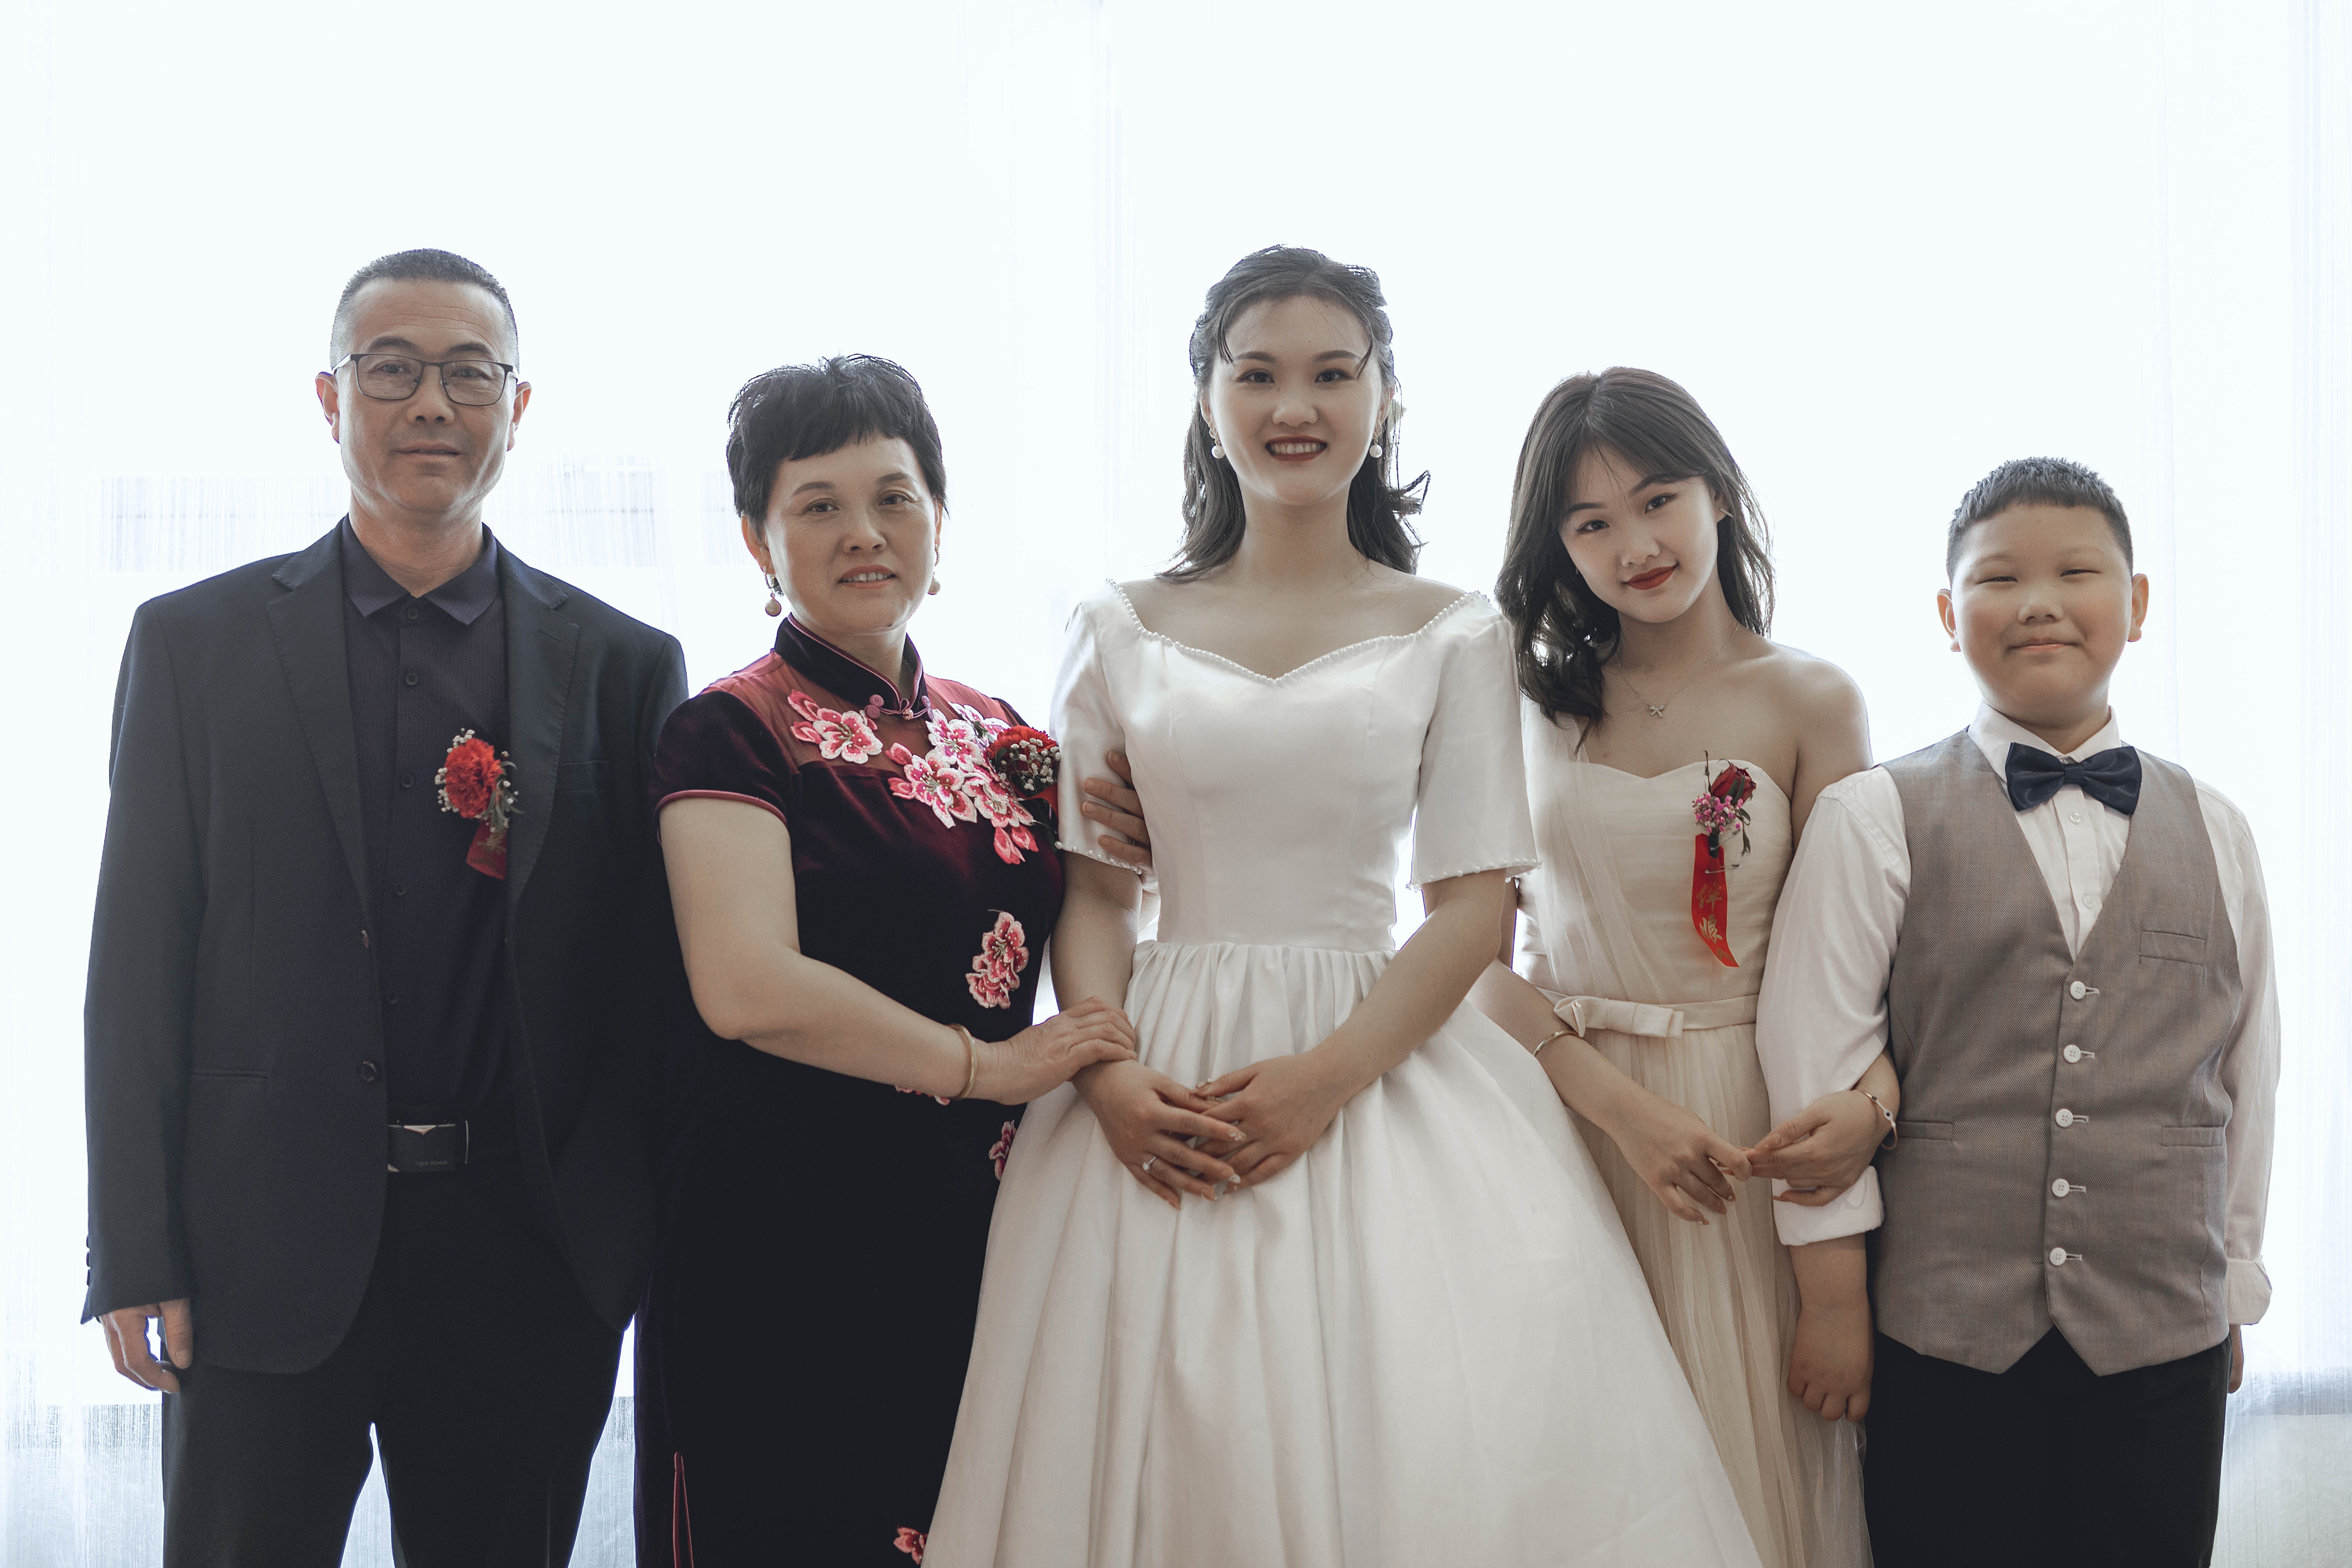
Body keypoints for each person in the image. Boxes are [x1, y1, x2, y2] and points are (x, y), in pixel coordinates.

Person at [926, 247, 1760, 1566]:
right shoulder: (1116, 624)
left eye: (1332, 373)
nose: (1294, 406)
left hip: (1382, 1048)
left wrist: (1325, 1082)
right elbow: (1095, 895)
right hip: (1159, 1060)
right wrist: (1109, 1075)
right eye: (1256, 375)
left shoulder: (1458, 630)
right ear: (1207, 400)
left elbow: (1473, 910)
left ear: (1384, 399)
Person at [84, 248, 688, 1562]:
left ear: (517, 406)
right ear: (330, 397)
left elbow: (645, 990)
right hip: (257, 1250)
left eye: (469, 374)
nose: (431, 404)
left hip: (525, 1261)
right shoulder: (193, 645)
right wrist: (133, 1248)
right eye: (393, 370)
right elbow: (136, 965)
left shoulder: (623, 666)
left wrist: (620, 1240)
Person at [636, 355, 1146, 1564]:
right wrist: (992, 1067)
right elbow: (744, 985)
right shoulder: (731, 729)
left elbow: (1103, 896)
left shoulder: (1005, 733)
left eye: (893, 497)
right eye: (818, 505)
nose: (863, 533)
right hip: (786, 1225)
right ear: (760, 544)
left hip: (983, 1222)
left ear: (939, 521)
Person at [1753, 457, 2279, 1566]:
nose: (2039, 601)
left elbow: (2248, 1075)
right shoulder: (1872, 816)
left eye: (2077, 572)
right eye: (1999, 579)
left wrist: (2233, 1280)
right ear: (1950, 618)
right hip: (1944, 1332)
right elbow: (1813, 1067)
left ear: (2137, 603)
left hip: (2165, 1329)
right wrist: (1833, 1304)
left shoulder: (2219, 828)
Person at [1471, 368, 1885, 1568]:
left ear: (1720, 495)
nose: (1636, 546)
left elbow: (1860, 960)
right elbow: (1470, 967)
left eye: (1658, 501)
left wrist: (1873, 1106)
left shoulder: (1811, 698)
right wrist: (1619, 1106)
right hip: (1559, 1122)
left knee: (1750, 1466)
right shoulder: (1520, 702)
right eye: (1591, 523)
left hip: (1749, 1133)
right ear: (1556, 547)